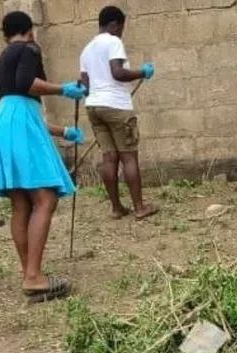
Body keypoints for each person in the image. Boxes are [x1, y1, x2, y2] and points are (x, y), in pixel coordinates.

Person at [0, 11, 87, 303]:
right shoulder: (29, 48)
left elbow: (18, 107)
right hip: (18, 125)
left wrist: (64, 131)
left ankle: (30, 272)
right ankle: (34, 277)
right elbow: (28, 84)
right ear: (30, 31)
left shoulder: (1, 60)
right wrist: (64, 89)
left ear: (4, 34)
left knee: (21, 204)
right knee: (45, 198)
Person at [79, 5, 158, 221]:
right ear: (114, 25)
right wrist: (142, 72)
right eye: (122, 28)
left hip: (93, 106)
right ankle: (140, 207)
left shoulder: (86, 50)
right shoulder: (113, 42)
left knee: (109, 157)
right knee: (129, 156)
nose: (121, 33)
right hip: (115, 105)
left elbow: (85, 85)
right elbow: (118, 73)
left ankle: (116, 208)